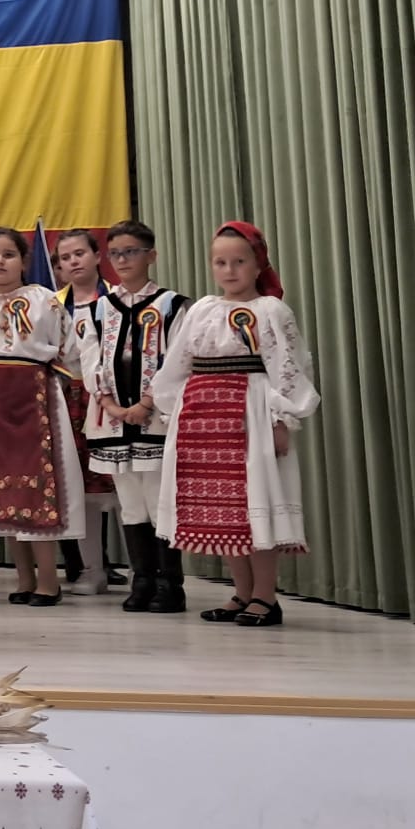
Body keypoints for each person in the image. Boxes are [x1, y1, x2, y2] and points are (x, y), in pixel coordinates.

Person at [153, 221, 319, 629]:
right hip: (203, 417)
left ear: (258, 264)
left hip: (250, 413)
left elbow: (288, 365)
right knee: (222, 509)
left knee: (252, 504)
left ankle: (266, 596)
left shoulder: (270, 310)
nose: (229, 271)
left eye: (239, 262)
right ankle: (242, 592)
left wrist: (282, 418)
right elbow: (178, 361)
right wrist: (174, 411)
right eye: (220, 262)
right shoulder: (203, 310)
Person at [0, 227, 89, 607]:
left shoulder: (44, 300)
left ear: (24, 261)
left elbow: (69, 349)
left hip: (34, 395)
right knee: (3, 488)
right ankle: (24, 577)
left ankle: (48, 579)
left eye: (9, 254)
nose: (0, 261)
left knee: (37, 485)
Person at [87, 219, 190, 613]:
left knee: (158, 500)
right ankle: (142, 579)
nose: (122, 259)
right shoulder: (101, 308)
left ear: (151, 255)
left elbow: (178, 360)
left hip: (155, 419)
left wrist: (146, 403)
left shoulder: (172, 305)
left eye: (131, 251)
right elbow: (91, 359)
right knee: (130, 503)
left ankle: (170, 583)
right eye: (115, 253)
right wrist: (111, 405)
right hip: (113, 420)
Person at [54, 229, 118, 595]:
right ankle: (92, 570)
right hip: (67, 399)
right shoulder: (52, 305)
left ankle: (151, 573)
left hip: (111, 400)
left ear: (97, 256)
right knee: (81, 491)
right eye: (65, 258)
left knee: (125, 486)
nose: (73, 261)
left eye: (79, 253)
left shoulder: (116, 300)